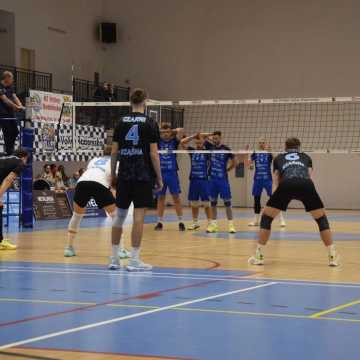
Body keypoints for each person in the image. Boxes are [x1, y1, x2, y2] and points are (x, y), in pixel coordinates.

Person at [248, 137, 340, 267]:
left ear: (285, 146)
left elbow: (275, 179)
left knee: (267, 218)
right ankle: (332, 256)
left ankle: (258, 256)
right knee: (321, 219)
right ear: (299, 147)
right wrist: (311, 196)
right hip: (306, 184)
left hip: (286, 184)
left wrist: (274, 199)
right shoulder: (306, 157)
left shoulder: (279, 158)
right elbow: (309, 176)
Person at [110, 88, 162, 271]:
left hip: (124, 174)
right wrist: (160, 178)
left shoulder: (120, 122)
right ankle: (134, 261)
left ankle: (114, 260)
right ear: (145, 101)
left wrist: (113, 174)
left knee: (119, 217)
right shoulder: (150, 123)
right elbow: (154, 155)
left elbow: (114, 151)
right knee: (138, 218)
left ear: (130, 102)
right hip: (142, 175)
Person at [64, 145, 130, 259]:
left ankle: (69, 248)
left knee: (77, 215)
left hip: (81, 183)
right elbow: (116, 181)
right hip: (100, 184)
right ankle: (120, 250)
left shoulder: (94, 160)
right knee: (116, 217)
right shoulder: (117, 163)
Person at [247, 139, 286, 227]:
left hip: (268, 179)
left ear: (266, 143)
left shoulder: (268, 153)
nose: (261, 144)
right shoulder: (255, 153)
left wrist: (271, 151)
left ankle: (281, 219)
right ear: (258, 144)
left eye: (263, 143)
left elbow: (277, 160)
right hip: (257, 180)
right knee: (256, 200)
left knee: (275, 198)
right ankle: (256, 220)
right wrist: (249, 162)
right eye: (260, 143)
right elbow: (249, 165)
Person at [154, 123, 185, 231]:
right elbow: (153, 133)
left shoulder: (174, 141)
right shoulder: (157, 142)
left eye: (168, 132)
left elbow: (181, 130)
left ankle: (181, 221)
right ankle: (159, 222)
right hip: (160, 174)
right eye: (163, 132)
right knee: (161, 198)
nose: (166, 134)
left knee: (176, 197)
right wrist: (161, 131)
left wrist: (171, 131)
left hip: (172, 174)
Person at [205, 131, 237, 234]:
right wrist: (209, 135)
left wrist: (229, 169)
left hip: (223, 180)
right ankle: (214, 225)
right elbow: (201, 136)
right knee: (213, 203)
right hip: (212, 180)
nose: (215, 140)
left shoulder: (226, 149)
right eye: (213, 138)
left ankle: (231, 225)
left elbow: (235, 161)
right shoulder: (210, 147)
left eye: (217, 138)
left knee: (227, 203)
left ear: (220, 138)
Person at [181, 132, 213, 230]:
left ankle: (210, 223)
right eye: (197, 143)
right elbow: (182, 143)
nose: (198, 144)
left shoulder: (207, 152)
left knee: (206, 203)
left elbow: (213, 145)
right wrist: (193, 136)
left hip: (204, 180)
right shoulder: (192, 151)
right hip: (194, 180)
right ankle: (195, 222)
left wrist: (207, 136)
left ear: (203, 143)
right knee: (194, 203)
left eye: (200, 143)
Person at [0, 149, 28, 250]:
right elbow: (9, 179)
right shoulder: (20, 163)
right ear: (24, 157)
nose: (26, 162)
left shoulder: (6, 158)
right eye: (26, 159)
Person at [0, 71, 25, 155]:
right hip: (3, 114)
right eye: (12, 78)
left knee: (15, 131)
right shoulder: (0, 86)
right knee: (7, 133)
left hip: (11, 113)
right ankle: (9, 151)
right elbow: (5, 100)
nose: (13, 80)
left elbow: (14, 96)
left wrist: (20, 105)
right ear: (6, 78)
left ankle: (10, 149)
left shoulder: (10, 86)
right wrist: (16, 107)